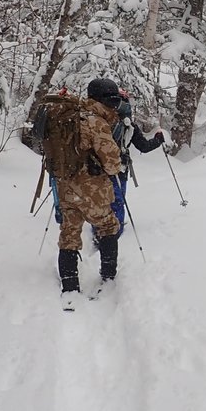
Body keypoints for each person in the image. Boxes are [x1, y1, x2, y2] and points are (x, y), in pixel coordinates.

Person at [54, 78, 124, 308]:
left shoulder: (70, 118)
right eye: (112, 101)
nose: (114, 106)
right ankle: (108, 278)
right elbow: (113, 163)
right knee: (108, 226)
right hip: (92, 189)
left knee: (69, 233)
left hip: (65, 186)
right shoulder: (97, 123)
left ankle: (70, 287)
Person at [106, 89, 166, 238]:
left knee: (102, 201)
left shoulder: (101, 121)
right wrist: (158, 140)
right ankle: (115, 232)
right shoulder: (129, 126)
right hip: (120, 167)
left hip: (100, 167)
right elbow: (144, 147)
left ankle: (100, 230)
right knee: (118, 200)